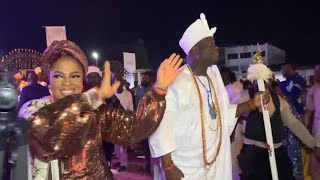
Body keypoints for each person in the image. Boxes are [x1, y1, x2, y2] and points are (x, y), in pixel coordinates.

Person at [18, 40, 183, 179]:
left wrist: (159, 89)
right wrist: (93, 98)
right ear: (48, 80)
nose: (67, 83)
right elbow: (48, 135)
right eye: (59, 76)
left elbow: (135, 128)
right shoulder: (33, 111)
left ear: (82, 80)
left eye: (74, 76)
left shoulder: (95, 111)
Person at [149, 13, 270, 180]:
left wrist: (252, 104)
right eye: (211, 45)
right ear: (196, 51)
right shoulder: (176, 81)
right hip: (184, 167)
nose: (216, 48)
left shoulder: (213, 76)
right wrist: (168, 165)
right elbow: (160, 124)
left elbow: (220, 115)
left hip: (215, 164)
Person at [237, 53, 320, 180]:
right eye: (259, 81)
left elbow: (293, 123)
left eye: (267, 80)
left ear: (271, 82)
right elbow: (233, 117)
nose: (263, 84)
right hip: (254, 154)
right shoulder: (245, 96)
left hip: (277, 151)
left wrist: (312, 143)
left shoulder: (279, 100)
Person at [113, 75, 134, 172]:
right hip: (113, 122)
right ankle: (120, 159)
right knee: (115, 145)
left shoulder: (128, 94)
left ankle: (123, 163)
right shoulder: (112, 93)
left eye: (120, 83)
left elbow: (130, 108)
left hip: (124, 121)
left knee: (123, 145)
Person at [306, 64, 320, 180]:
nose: (315, 74)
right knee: (315, 163)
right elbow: (310, 113)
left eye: (317, 71)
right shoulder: (313, 90)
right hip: (316, 128)